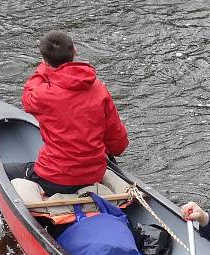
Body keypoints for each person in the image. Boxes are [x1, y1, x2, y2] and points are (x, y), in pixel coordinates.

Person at [18, 30, 129, 196]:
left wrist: (45, 69)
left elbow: (28, 97)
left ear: (44, 60)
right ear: (75, 51)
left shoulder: (43, 94)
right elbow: (117, 142)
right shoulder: (99, 88)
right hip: (93, 175)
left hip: (54, 179)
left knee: (9, 170)